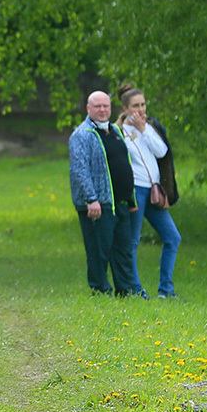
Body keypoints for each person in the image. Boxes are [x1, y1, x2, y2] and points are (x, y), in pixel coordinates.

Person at [68, 90, 145, 298]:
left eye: (106, 106)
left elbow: (124, 164)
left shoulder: (114, 131)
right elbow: (79, 170)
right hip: (97, 205)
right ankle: (100, 291)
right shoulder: (82, 135)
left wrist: (131, 199)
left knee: (123, 250)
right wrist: (91, 199)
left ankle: (126, 291)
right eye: (97, 106)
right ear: (88, 109)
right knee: (99, 251)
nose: (102, 110)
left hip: (118, 203)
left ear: (111, 108)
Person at [116, 84, 182, 299]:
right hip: (135, 191)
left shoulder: (149, 126)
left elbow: (162, 151)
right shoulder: (119, 132)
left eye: (143, 105)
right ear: (125, 108)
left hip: (154, 190)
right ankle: (136, 290)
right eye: (136, 106)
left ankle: (166, 291)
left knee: (173, 237)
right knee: (133, 242)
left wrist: (144, 130)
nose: (141, 110)